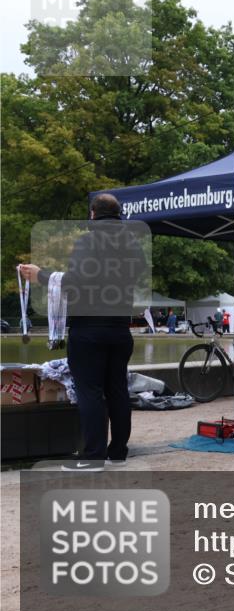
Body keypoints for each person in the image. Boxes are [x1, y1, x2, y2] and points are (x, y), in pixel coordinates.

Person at [18, 193, 147, 471]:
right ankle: (117, 452)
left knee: (90, 392)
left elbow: (75, 282)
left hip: (89, 329)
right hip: (120, 330)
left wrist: (41, 275)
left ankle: (93, 457)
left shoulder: (88, 241)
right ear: (118, 214)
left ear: (92, 214)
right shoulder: (133, 244)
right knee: (118, 391)